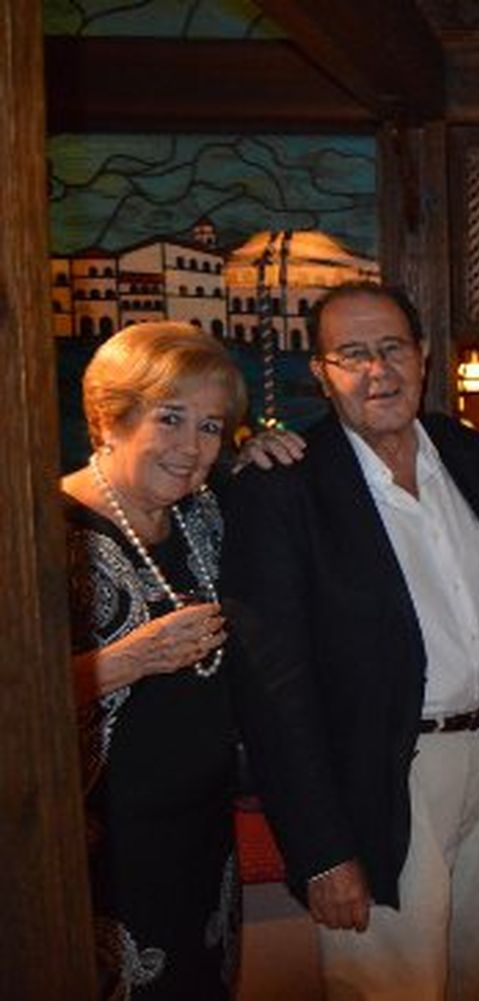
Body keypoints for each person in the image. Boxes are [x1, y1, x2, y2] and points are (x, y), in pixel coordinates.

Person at [222, 282, 479, 999]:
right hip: (381, 769)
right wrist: (322, 850)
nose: (377, 369)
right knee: (390, 987)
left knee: (468, 974)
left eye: (391, 348)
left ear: (424, 357)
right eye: (352, 354)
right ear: (321, 372)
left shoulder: (460, 449)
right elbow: (274, 689)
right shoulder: (284, 485)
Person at [62, 322, 247, 999]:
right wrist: (123, 661)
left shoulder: (205, 516)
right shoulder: (42, 530)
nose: (192, 447)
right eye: (170, 418)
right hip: (104, 856)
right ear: (111, 417)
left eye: (210, 426)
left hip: (204, 840)